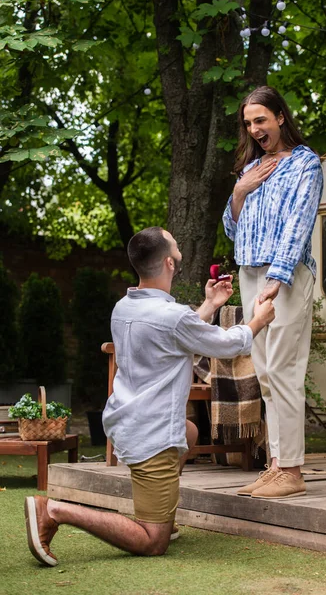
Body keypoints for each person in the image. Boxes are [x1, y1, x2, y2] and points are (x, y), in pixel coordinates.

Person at [25, 227, 275, 567]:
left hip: (128, 421)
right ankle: (53, 510)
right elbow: (227, 344)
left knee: (189, 433)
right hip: (151, 434)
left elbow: (176, 335)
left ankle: (161, 509)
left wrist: (209, 305)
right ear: (170, 262)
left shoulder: (124, 307)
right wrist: (258, 320)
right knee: (152, 541)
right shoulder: (170, 317)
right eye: (177, 246)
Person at [223, 86, 323, 499]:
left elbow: (299, 225)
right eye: (249, 123)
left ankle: (292, 470)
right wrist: (240, 191)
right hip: (250, 272)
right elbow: (232, 230)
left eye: (261, 119)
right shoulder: (251, 168)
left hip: (284, 274)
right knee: (263, 371)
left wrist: (276, 278)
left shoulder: (306, 164)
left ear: (280, 117)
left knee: (282, 368)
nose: (255, 128)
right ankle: (276, 465)